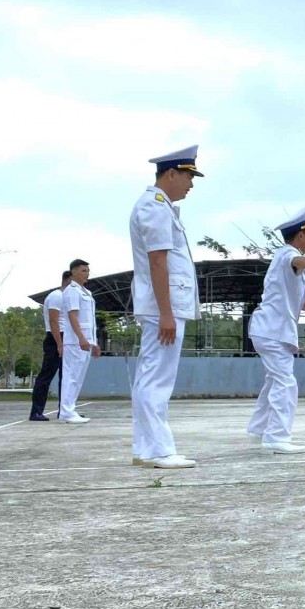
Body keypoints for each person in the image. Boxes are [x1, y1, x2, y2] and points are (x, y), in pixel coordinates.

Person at [128, 145, 203, 470]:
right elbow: (158, 262)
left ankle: (146, 448)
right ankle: (159, 450)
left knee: (151, 377)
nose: (191, 184)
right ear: (171, 173)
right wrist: (167, 313)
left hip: (164, 305)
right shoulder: (155, 207)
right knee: (157, 379)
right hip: (164, 307)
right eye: (188, 176)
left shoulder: (161, 207)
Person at [246, 208, 305, 454]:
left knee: (273, 381)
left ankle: (259, 427)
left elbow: (286, 299)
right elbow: (296, 261)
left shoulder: (289, 261)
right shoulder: (288, 254)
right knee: (285, 383)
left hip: (271, 330)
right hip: (272, 332)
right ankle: (277, 437)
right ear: (300, 235)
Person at [58, 259, 100, 424]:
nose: (87, 274)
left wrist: (93, 342)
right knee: (71, 376)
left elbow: (89, 321)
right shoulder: (72, 291)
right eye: (83, 270)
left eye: (88, 271)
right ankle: (67, 412)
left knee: (78, 377)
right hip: (75, 342)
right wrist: (82, 338)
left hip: (85, 341)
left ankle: (70, 409)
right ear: (74, 272)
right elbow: (72, 316)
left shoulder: (86, 292)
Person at [29, 270, 70, 422]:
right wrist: (59, 344)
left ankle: (65, 410)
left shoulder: (67, 297)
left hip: (66, 337)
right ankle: (36, 412)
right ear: (68, 279)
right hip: (55, 337)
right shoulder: (56, 296)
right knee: (46, 376)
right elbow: (54, 321)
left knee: (65, 377)